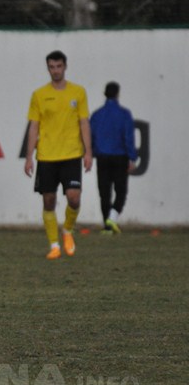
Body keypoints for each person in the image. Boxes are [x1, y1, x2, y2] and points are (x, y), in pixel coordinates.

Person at [24, 50, 92, 260]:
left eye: (59, 66)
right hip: (46, 156)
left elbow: (83, 123)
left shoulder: (78, 92)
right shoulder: (39, 95)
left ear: (65, 67)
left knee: (74, 197)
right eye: (52, 67)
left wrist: (88, 152)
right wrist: (28, 157)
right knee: (48, 201)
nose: (55, 71)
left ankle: (68, 230)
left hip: (71, 154)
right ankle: (54, 245)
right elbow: (34, 127)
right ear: (48, 69)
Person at [90, 82, 137, 234]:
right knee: (121, 191)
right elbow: (128, 137)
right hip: (120, 156)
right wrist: (132, 157)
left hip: (103, 157)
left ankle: (107, 225)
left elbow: (91, 137)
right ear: (118, 94)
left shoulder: (97, 114)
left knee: (104, 192)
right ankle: (113, 216)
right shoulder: (124, 114)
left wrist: (92, 153)